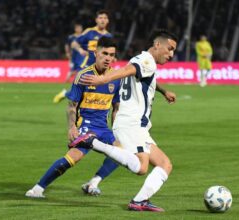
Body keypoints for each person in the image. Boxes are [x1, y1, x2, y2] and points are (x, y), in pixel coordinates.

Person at [69, 29, 178, 212]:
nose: (171, 54)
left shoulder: (142, 60)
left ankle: (140, 201)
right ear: (158, 44)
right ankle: (93, 142)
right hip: (131, 122)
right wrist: (103, 79)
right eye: (170, 49)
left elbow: (143, 76)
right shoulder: (145, 62)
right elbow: (127, 71)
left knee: (165, 164)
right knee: (142, 167)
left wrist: (164, 91)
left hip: (136, 125)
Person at [26, 37, 120, 198]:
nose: (108, 58)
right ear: (96, 53)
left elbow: (116, 108)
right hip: (85, 125)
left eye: (111, 55)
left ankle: (93, 183)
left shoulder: (116, 78)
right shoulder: (83, 76)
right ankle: (37, 189)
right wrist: (72, 127)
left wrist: (117, 129)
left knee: (121, 153)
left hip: (103, 128)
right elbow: (71, 105)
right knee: (73, 158)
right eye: (105, 53)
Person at [53, 9, 112, 103]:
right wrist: (80, 50)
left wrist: (112, 58)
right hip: (87, 66)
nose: (103, 20)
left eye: (105, 18)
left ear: (108, 20)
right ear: (96, 20)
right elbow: (74, 43)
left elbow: (110, 51)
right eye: (100, 18)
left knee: (97, 92)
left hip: (101, 68)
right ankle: (66, 95)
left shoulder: (109, 36)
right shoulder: (89, 32)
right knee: (78, 93)